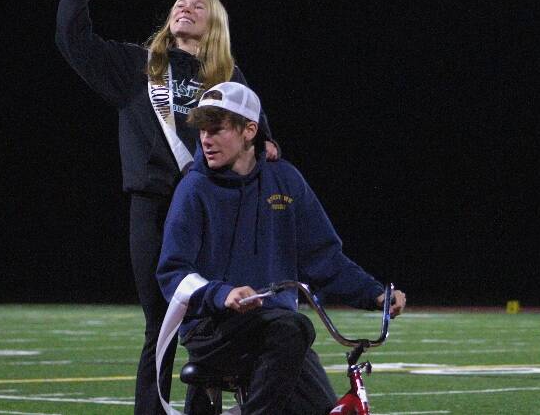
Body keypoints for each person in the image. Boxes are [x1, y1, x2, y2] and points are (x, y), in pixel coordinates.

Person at [55, 0, 279, 415]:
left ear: (213, 23)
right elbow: (73, 40)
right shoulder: (137, 67)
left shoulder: (229, 77)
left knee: (210, 317)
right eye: (180, 2)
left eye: (198, 6)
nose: (185, 8)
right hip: (154, 206)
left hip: (211, 210)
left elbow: (259, 139)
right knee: (159, 323)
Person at [156, 82, 406, 415]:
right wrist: (221, 293)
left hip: (279, 333)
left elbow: (324, 258)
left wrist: (376, 294)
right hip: (213, 329)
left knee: (321, 405)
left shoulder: (286, 180)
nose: (206, 139)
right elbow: (173, 272)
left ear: (249, 130)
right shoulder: (194, 188)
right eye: (202, 129)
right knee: (295, 327)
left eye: (217, 129)